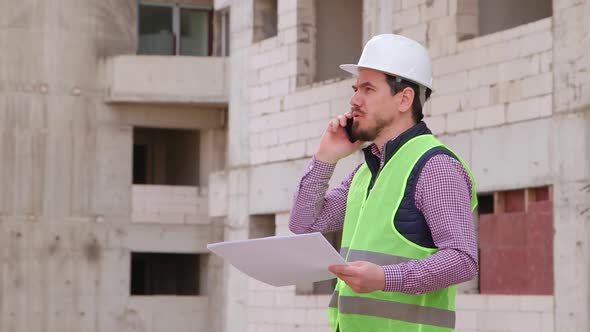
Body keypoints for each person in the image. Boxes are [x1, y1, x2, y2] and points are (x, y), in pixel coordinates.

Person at [289, 34, 479, 332]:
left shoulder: (435, 166)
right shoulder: (366, 171)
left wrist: (386, 278)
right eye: (355, 89)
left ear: (404, 99)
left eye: (368, 89)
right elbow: (304, 225)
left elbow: (462, 259)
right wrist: (325, 158)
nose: (354, 100)